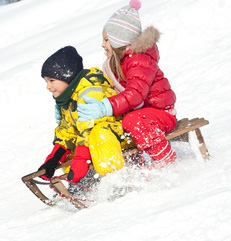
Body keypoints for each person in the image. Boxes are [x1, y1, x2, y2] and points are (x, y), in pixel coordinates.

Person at [77, 0, 177, 169]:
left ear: (119, 41)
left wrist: (105, 107)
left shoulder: (139, 60)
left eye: (107, 40)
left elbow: (136, 94)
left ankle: (165, 159)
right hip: (144, 114)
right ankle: (135, 167)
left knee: (131, 119)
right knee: (121, 121)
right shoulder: (118, 63)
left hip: (161, 114)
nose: (102, 44)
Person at [38, 46, 134, 182]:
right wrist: (53, 160)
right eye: (46, 81)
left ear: (67, 76)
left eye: (51, 80)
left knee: (98, 133)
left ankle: (115, 179)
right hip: (100, 138)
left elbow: (90, 128)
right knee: (73, 148)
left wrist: (81, 161)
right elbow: (68, 133)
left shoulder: (89, 91)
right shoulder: (67, 98)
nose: (48, 86)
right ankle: (83, 182)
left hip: (122, 134)